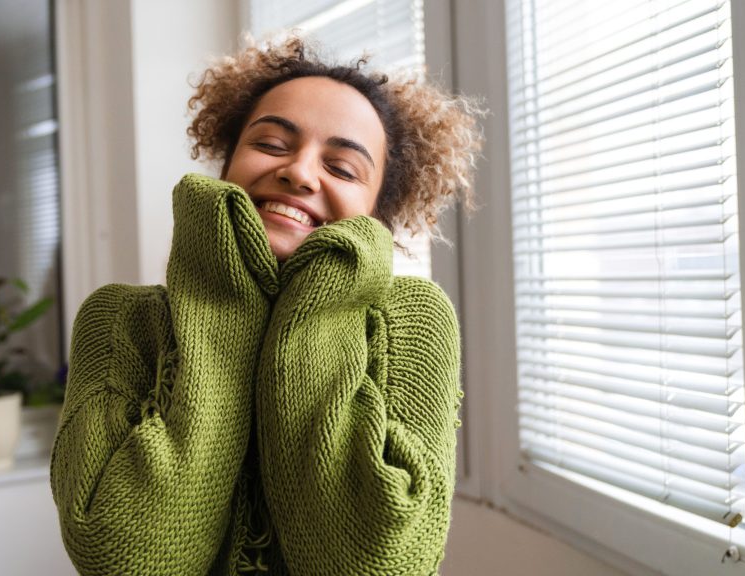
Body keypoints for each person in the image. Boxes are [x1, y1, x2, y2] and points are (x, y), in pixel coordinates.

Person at [50, 35, 482, 576]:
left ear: (378, 211)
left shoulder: (415, 319)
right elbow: (121, 554)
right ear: (228, 164)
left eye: (343, 169)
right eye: (273, 144)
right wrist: (224, 299)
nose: (300, 172)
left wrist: (321, 303)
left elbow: (377, 562)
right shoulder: (116, 320)